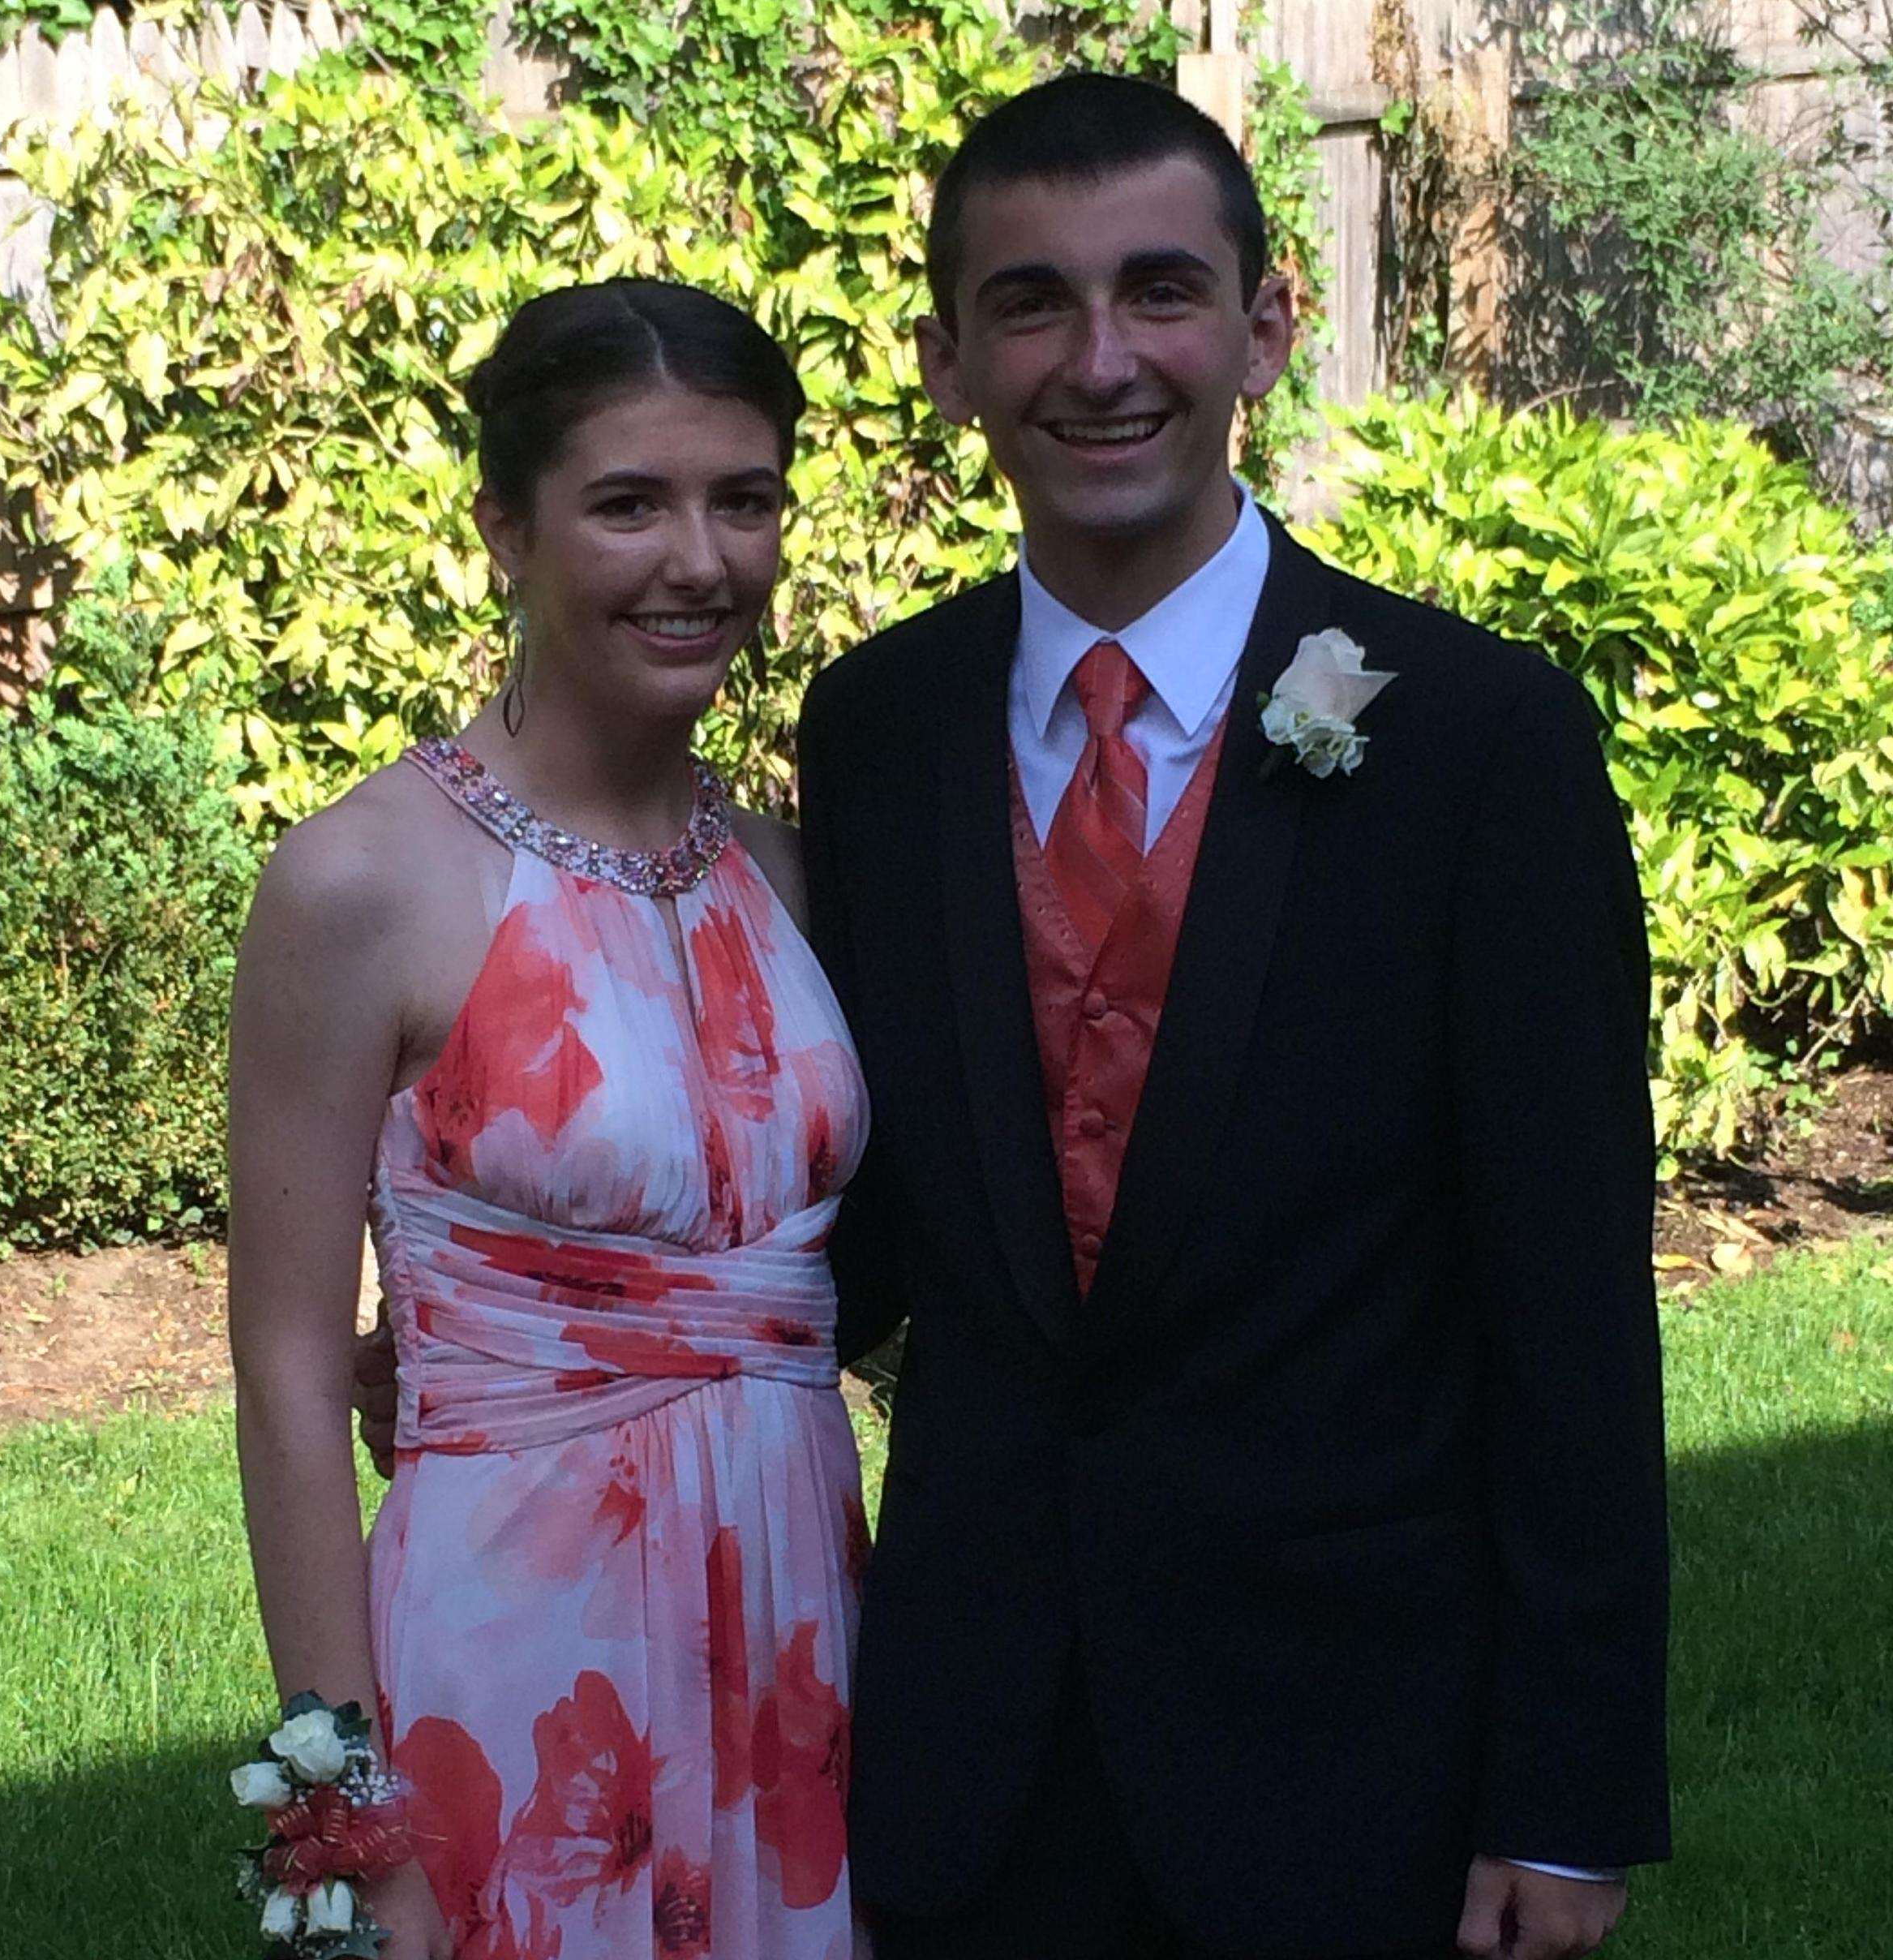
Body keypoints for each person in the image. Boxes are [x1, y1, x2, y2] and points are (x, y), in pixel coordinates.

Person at [794, 73, 1669, 1960]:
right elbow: (860, 1224)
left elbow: (1571, 1308)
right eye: (1029, 302)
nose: (1099, 359)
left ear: (1265, 327)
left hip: (1355, 1756)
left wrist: (1565, 1783)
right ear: (947, 361)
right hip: (977, 1755)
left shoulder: (1474, 742)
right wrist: (545, 1318)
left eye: (1160, 290)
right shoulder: (875, 732)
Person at [230, 280, 870, 1960]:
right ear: (504, 529)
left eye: (743, 500)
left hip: (799, 1633)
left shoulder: (791, 870)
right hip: (517, 1649)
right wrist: (341, 1820)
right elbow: (288, 1375)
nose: (700, 560)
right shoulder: (363, 883)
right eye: (628, 504)